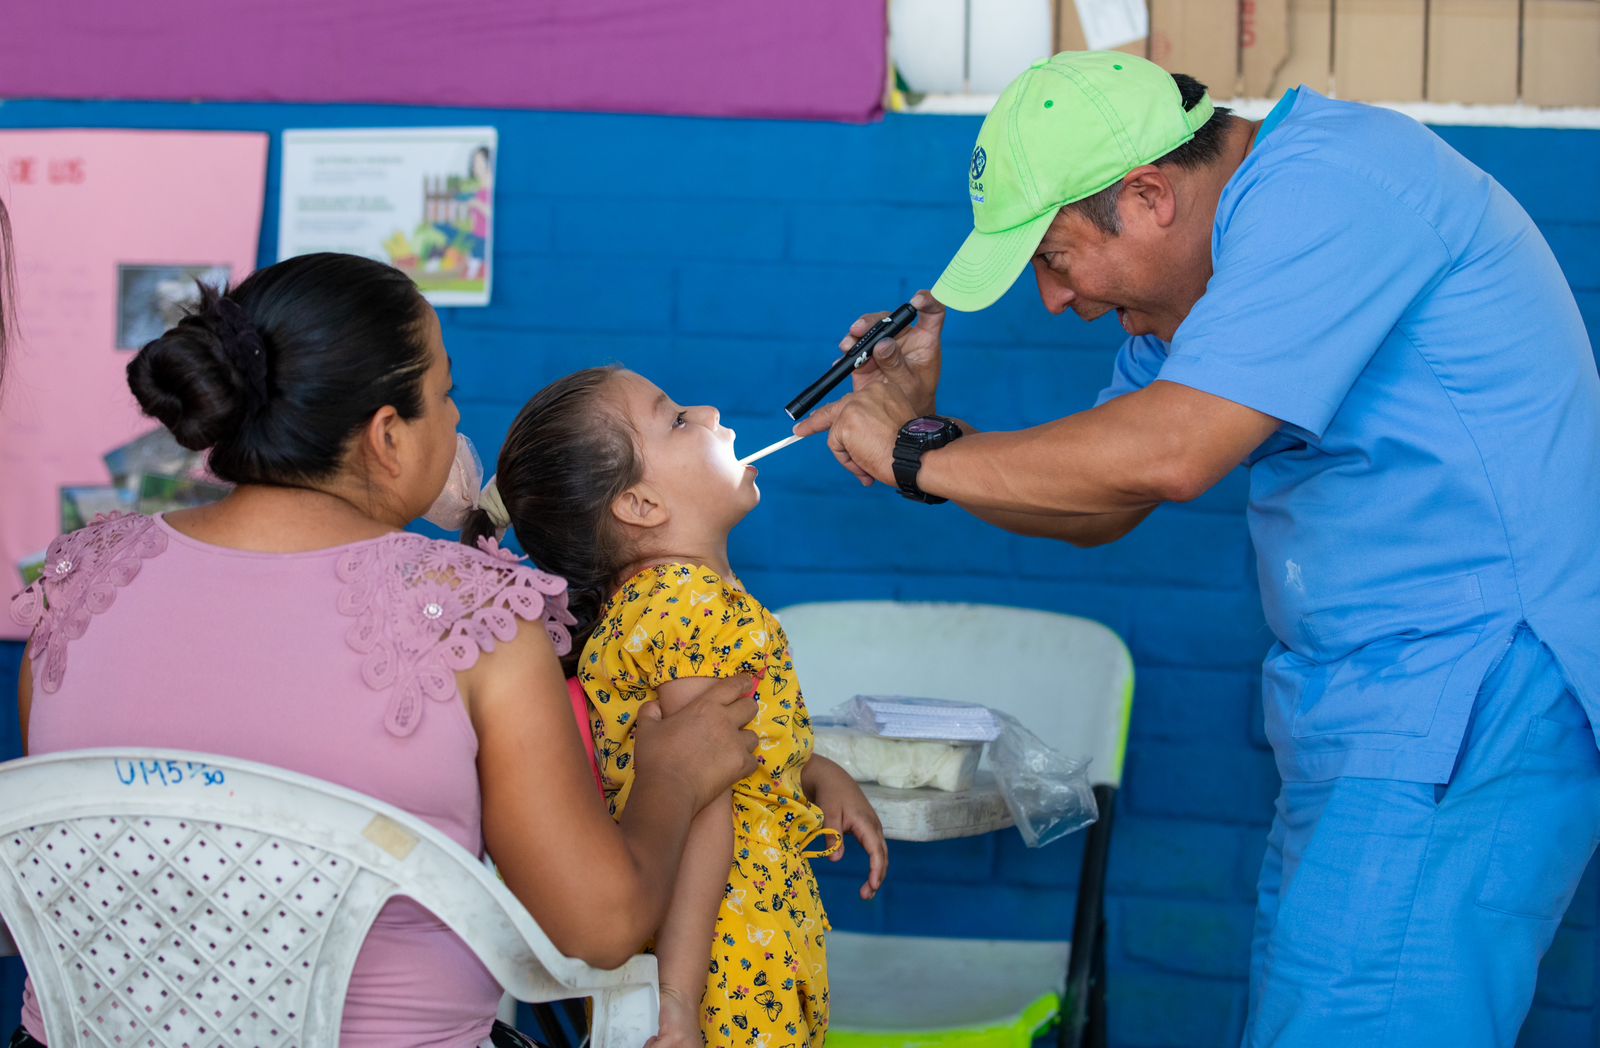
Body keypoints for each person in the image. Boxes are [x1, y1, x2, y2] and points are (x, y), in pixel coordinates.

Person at [799, 51, 1600, 1046]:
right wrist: (926, 430)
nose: (1057, 301)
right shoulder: (1209, 281)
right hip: (1377, 712)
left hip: (1467, 695)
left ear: (1145, 197)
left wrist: (918, 452)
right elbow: (1104, 500)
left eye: (1053, 257)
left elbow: (1170, 454)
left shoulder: (1329, 191)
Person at [8, 254, 760, 1048]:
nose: (457, 424)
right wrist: (672, 775)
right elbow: (599, 928)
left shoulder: (77, 584)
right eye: (446, 398)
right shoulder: (474, 616)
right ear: (388, 436)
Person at [470, 367, 889, 1047]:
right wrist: (678, 1004)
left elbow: (736, 754)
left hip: (731, 942)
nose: (710, 408)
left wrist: (814, 773)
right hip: (730, 956)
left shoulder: (664, 601)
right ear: (639, 506)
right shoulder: (688, 605)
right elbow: (703, 807)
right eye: (675, 419)